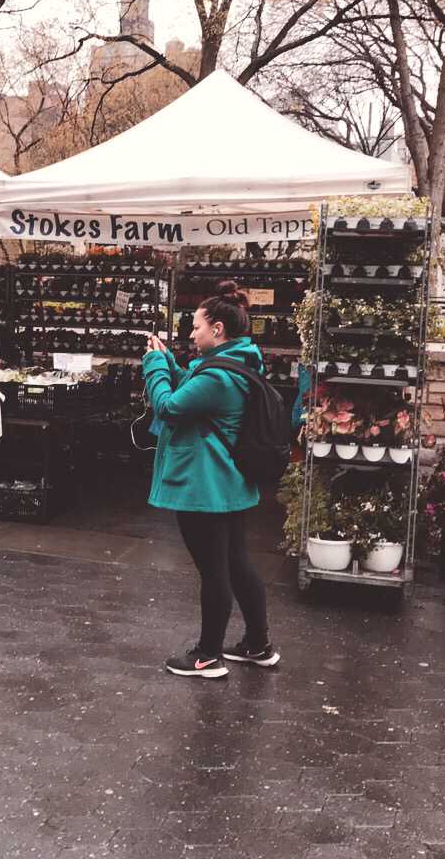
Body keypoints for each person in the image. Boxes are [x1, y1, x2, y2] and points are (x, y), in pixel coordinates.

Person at [143, 280, 278, 680]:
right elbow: (193, 387)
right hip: (228, 483)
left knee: (215, 571)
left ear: (217, 329)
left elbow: (169, 406)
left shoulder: (218, 377)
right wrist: (169, 364)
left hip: (205, 486)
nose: (191, 333)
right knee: (237, 564)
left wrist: (153, 366)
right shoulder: (237, 362)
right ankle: (257, 644)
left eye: (196, 327)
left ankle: (206, 657)